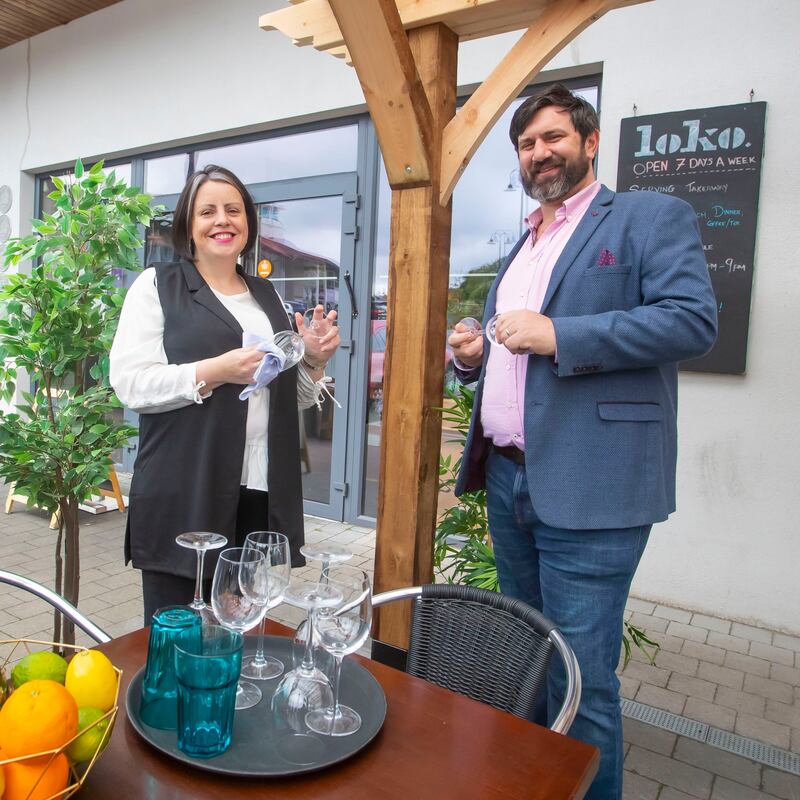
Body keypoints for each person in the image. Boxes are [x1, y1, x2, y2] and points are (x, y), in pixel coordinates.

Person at [448, 85, 717, 799]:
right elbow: (514, 355)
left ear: (590, 142)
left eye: (553, 137)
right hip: (509, 481)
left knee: (582, 679)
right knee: (532, 659)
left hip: (592, 485)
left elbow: (692, 321)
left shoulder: (648, 217)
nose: (539, 153)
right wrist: (473, 357)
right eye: (527, 144)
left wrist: (560, 334)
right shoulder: (523, 245)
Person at [110, 165, 340, 621]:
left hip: (257, 486)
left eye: (234, 210)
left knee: (239, 626)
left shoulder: (266, 295)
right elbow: (131, 384)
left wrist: (313, 361)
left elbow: (284, 397)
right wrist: (215, 371)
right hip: (186, 485)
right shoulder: (158, 286)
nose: (223, 220)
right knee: (181, 630)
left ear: (248, 223)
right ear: (187, 224)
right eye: (208, 211)